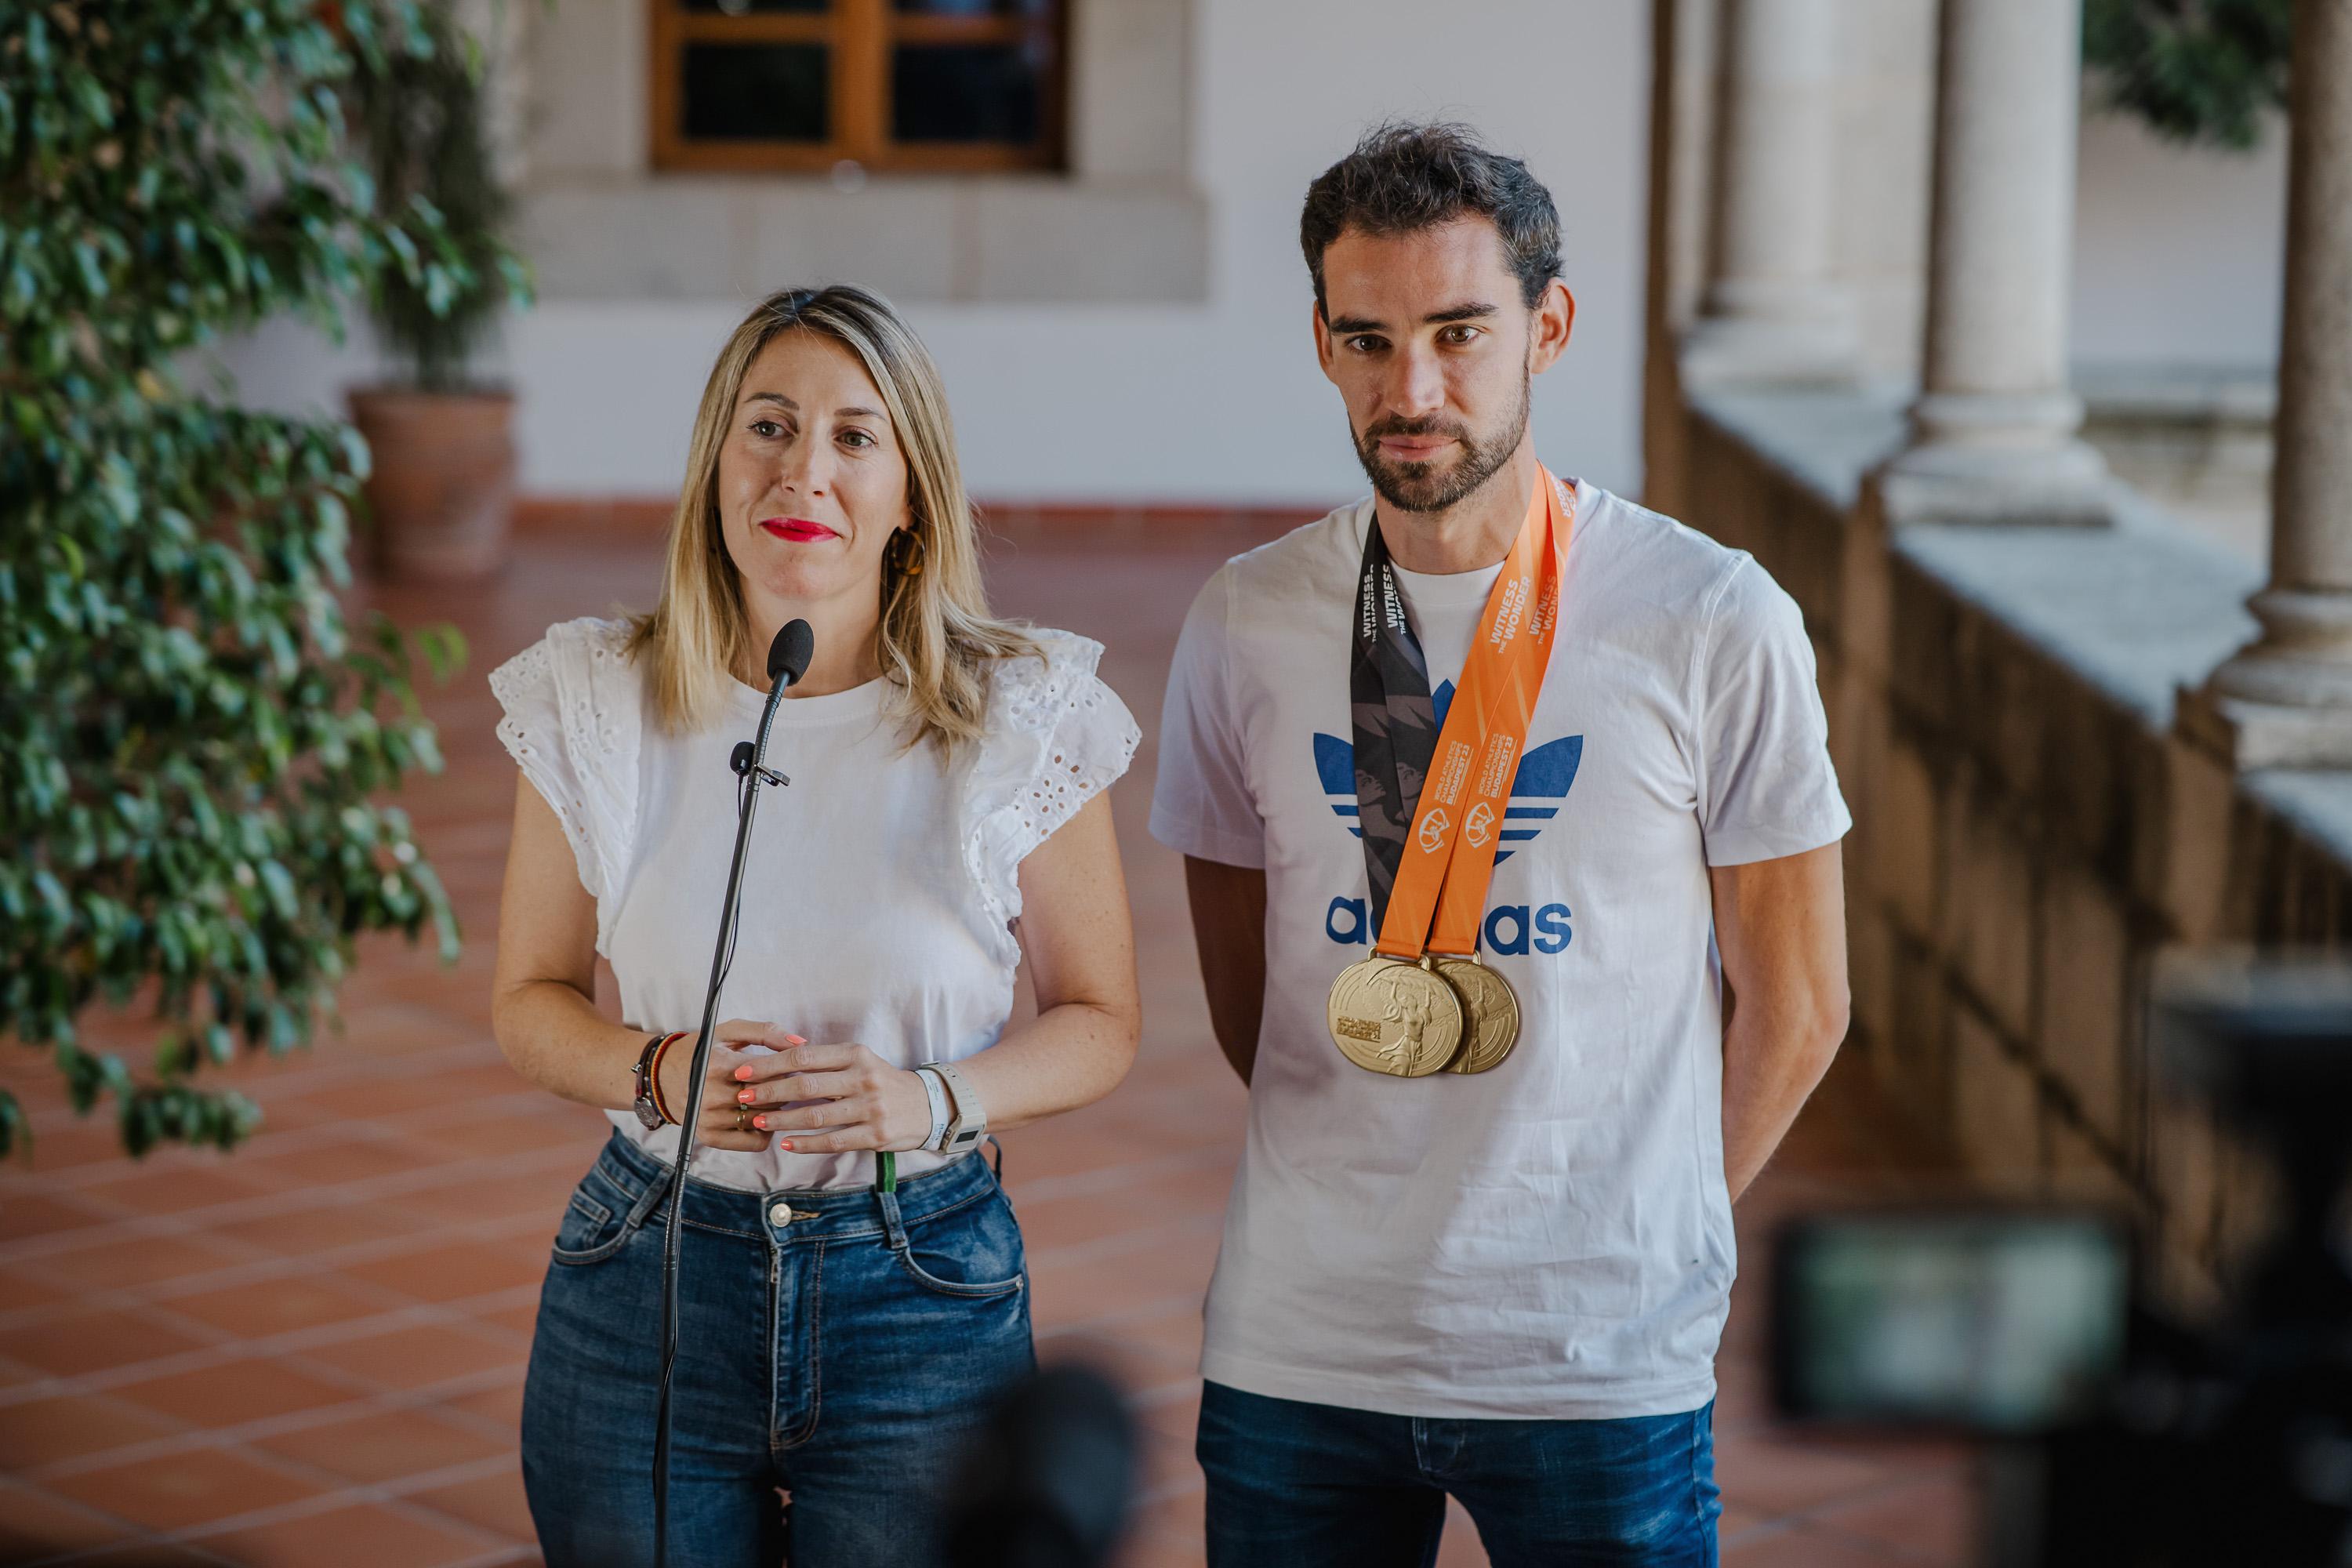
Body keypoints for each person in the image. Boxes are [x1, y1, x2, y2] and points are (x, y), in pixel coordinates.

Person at [1150, 122, 1853, 1566]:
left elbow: (1801, 1000)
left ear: (1550, 325)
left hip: (1597, 1358)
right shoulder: (1243, 621)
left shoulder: (1712, 618)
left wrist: (1655, 1224)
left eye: (1460, 334)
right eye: (1369, 340)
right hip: (1303, 1343)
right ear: (1325, 343)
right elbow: (1257, 999)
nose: (1412, 390)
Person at [488, 285, 1142, 1566]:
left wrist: (936, 1101)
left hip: (919, 1290)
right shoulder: (595, 698)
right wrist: (656, 1070)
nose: (805, 470)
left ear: (912, 492)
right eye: (769, 426)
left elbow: (1103, 1022)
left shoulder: (1025, 711)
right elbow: (528, 1001)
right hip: (648, 1279)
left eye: (856, 436)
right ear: (716, 465)